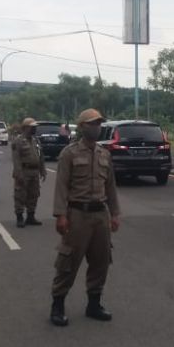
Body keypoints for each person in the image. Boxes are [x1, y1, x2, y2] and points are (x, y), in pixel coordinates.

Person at [49, 109, 121, 327]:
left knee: (101, 261)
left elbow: (111, 186)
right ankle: (58, 304)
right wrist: (61, 215)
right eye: (92, 124)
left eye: (99, 123)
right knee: (69, 261)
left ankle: (94, 303)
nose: (96, 127)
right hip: (77, 214)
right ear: (81, 127)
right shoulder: (69, 153)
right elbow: (61, 186)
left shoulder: (104, 154)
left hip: (100, 214)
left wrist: (115, 213)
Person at [11, 117, 47, 227]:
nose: (34, 129)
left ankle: (31, 216)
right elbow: (16, 159)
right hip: (24, 171)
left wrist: (43, 170)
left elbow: (41, 157)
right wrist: (19, 174)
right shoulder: (18, 141)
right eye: (32, 127)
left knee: (34, 194)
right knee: (20, 195)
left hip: (34, 172)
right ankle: (20, 217)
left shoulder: (36, 140)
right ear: (25, 128)